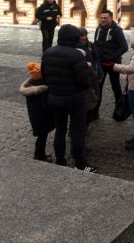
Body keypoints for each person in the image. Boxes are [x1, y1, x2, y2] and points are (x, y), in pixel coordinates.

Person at [41, 24, 97, 173]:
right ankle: (80, 163)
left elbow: (44, 76)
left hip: (55, 98)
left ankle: (60, 160)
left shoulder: (48, 53)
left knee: (60, 130)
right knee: (78, 131)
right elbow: (84, 81)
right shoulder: (76, 55)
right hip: (75, 100)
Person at [92, 10, 128, 118]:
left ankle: (120, 110)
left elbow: (124, 47)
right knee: (98, 87)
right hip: (100, 64)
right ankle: (95, 113)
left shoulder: (117, 31)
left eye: (105, 18)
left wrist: (113, 57)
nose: (103, 20)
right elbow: (96, 44)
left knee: (116, 86)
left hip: (112, 64)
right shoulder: (98, 29)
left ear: (111, 18)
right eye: (101, 18)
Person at [19, 62, 55, 162]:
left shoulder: (30, 86)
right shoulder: (42, 89)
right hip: (43, 117)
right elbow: (46, 105)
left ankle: (39, 154)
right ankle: (40, 156)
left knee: (41, 136)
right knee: (42, 137)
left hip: (35, 116)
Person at [77, 27, 101, 121]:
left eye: (84, 35)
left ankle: (91, 117)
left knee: (95, 96)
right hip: (82, 76)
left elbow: (96, 59)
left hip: (92, 75)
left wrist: (100, 74)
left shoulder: (90, 45)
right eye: (81, 36)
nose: (83, 38)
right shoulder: (74, 47)